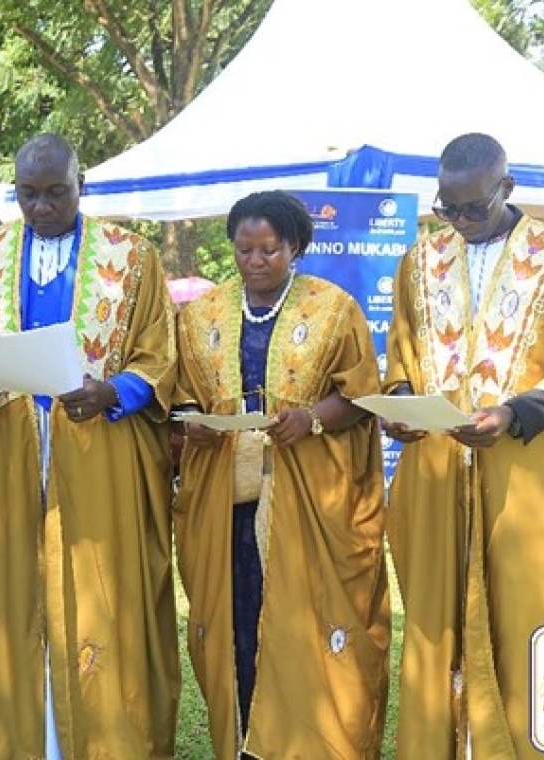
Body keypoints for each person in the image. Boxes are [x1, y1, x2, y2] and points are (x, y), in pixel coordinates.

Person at [0, 133, 180, 758]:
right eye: (28, 195)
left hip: (100, 454)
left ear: (81, 184)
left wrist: (112, 390)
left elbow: (160, 354)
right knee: (11, 600)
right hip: (9, 455)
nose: (41, 207)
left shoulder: (132, 257)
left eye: (56, 193)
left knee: (104, 599)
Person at [382, 133, 544, 760]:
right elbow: (402, 359)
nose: (458, 222)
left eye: (472, 209)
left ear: (506, 188)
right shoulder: (418, 262)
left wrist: (512, 412)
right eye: (446, 209)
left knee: (532, 624)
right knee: (439, 635)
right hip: (437, 484)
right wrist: (402, 406)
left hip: (525, 484)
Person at [174, 191, 389, 759]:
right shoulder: (202, 316)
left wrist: (313, 419)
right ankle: (247, 743)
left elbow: (362, 396)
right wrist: (191, 427)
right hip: (230, 505)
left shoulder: (334, 308)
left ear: (295, 247)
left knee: (311, 632)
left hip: (311, 503)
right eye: (244, 249)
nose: (256, 260)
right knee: (241, 628)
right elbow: (179, 400)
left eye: (269, 248)